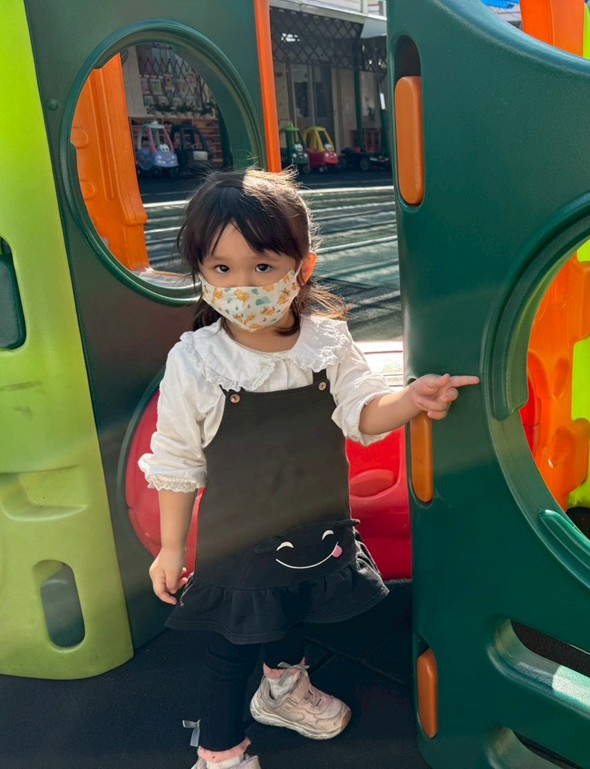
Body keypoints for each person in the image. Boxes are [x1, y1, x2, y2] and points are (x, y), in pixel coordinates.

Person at [139, 168, 479, 769]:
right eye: (222, 268)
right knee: (229, 649)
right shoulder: (198, 360)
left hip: (314, 521)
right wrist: (171, 548)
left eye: (262, 266)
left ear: (302, 267)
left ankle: (282, 691)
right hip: (238, 540)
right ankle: (220, 753)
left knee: (294, 606)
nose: (243, 285)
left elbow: (362, 411)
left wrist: (411, 399)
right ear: (201, 272)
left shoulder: (326, 343)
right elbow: (176, 461)